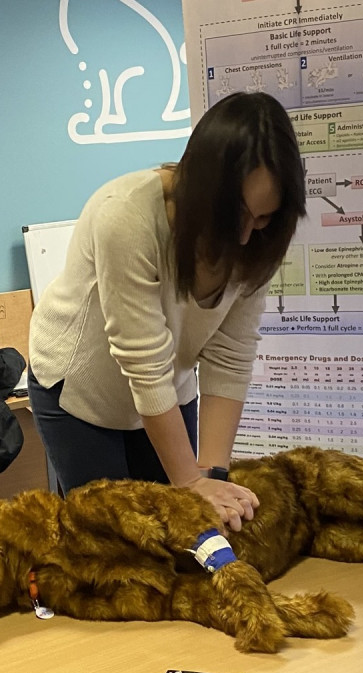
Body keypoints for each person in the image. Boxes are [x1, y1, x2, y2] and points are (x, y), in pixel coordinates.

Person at [28, 92, 306, 532]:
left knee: (184, 528)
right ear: (202, 190)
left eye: (264, 217)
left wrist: (210, 478)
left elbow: (230, 356)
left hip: (164, 392)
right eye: (237, 213)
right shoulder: (127, 216)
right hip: (80, 391)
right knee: (111, 542)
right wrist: (189, 483)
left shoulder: (259, 241)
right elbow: (144, 363)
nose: (245, 235)